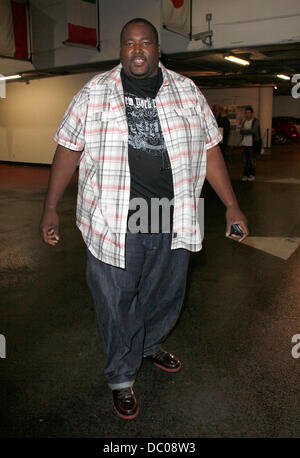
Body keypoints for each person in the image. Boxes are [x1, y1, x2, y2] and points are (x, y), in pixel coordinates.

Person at [40, 18, 249, 420]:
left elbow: (210, 151)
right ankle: (121, 375)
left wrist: (232, 204)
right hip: (114, 216)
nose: (137, 50)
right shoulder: (94, 93)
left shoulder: (187, 91)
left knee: (165, 294)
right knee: (115, 302)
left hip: (172, 214)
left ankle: (149, 344)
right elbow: (68, 150)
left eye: (145, 43)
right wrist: (50, 208)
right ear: (121, 50)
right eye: (129, 44)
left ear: (157, 49)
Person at [239, 106, 261, 181]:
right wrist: (245, 130)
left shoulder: (255, 121)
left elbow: (253, 131)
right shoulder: (244, 121)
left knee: (252, 160)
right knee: (245, 161)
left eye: (248, 112)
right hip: (244, 144)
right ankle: (245, 175)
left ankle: (252, 175)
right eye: (246, 113)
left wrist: (245, 130)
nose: (247, 114)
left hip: (252, 144)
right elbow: (240, 131)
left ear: (251, 113)